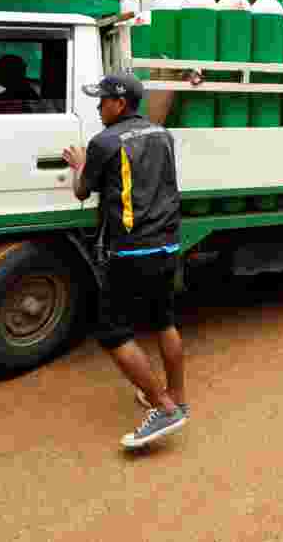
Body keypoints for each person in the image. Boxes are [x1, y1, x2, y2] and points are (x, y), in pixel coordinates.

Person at [62, 73, 189, 450]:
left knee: (112, 332)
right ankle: (177, 395)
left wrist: (79, 164)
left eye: (102, 102)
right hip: (168, 244)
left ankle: (164, 408)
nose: (98, 108)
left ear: (120, 104)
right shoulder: (161, 135)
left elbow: (82, 192)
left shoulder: (104, 141)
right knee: (163, 320)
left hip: (132, 250)